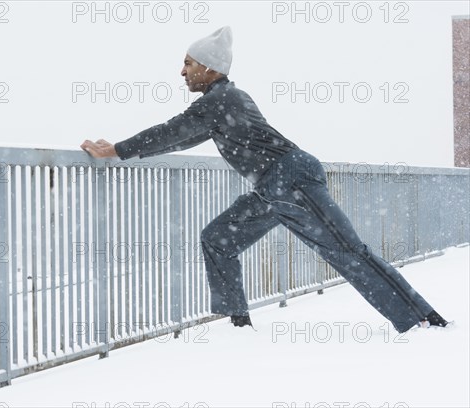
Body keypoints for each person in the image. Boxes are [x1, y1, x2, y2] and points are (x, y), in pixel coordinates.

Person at [81, 26, 449, 332]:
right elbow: (182, 137)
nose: (182, 72)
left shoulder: (222, 98)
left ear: (209, 68)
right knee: (217, 239)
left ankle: (422, 321)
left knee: (348, 253)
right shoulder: (219, 103)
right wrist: (123, 150)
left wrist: (116, 149)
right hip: (273, 188)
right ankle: (238, 328)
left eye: (188, 63)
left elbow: (171, 130)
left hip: (291, 180)